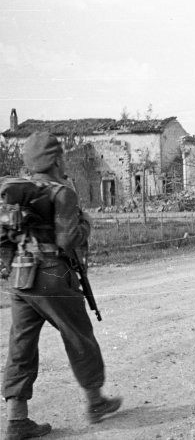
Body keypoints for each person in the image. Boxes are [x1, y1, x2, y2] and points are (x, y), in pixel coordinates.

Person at [1, 132, 121, 440]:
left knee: (21, 345)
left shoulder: (16, 191)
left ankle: (17, 418)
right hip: (52, 273)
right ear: (56, 160)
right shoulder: (61, 192)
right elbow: (68, 240)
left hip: (20, 276)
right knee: (78, 335)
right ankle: (95, 402)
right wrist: (85, 224)